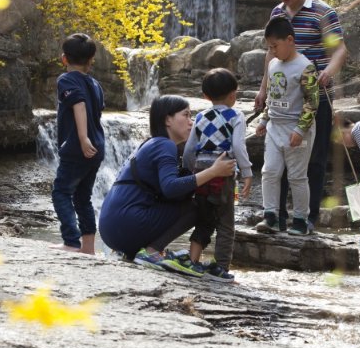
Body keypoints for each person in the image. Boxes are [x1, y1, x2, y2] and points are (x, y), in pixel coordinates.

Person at [254, 0, 347, 230]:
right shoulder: (277, 13)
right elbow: (271, 53)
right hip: (282, 99)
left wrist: (328, 71)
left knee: (314, 159)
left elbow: (340, 49)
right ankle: (276, 216)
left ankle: (307, 218)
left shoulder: (322, 13)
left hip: (314, 97)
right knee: (277, 160)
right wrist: (263, 89)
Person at [98, 95, 237, 272]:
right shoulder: (165, 145)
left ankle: (137, 252)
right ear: (167, 120)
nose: (191, 121)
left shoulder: (150, 143)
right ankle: (151, 251)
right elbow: (171, 188)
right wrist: (213, 172)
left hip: (110, 231)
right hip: (127, 223)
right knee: (196, 207)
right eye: (186, 115)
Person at [174, 68, 253, 283]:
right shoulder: (236, 115)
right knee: (226, 223)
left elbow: (189, 149)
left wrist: (192, 172)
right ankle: (220, 267)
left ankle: (193, 260)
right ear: (233, 95)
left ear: (206, 96)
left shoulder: (200, 116)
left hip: (202, 173)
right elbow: (237, 145)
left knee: (205, 217)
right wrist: (247, 172)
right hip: (224, 173)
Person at [254, 17, 319, 235]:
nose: (272, 51)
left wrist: (300, 130)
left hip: (297, 129)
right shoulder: (273, 64)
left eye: (275, 46)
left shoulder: (306, 67)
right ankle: (270, 215)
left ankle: (301, 220)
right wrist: (264, 119)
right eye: (269, 47)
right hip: (275, 126)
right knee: (270, 171)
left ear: (289, 40)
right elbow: (272, 96)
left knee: (297, 176)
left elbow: (312, 102)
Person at [52, 33, 105, 254]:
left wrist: (82, 139)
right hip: (97, 147)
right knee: (83, 197)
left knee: (61, 192)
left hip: (77, 147)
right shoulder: (95, 84)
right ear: (91, 59)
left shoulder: (66, 80)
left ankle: (71, 242)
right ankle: (89, 247)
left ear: (64, 59)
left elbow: (79, 105)